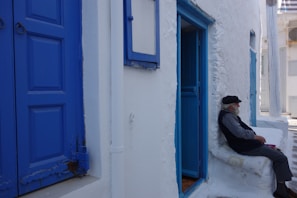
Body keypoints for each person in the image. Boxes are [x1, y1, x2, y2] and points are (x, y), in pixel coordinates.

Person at [218, 95, 296, 198]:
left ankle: (283, 187)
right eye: (236, 104)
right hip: (244, 147)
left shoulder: (230, 115)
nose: (238, 106)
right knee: (281, 158)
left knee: (278, 153)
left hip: (246, 144)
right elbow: (239, 133)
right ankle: (281, 191)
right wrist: (255, 137)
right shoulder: (227, 117)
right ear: (230, 106)